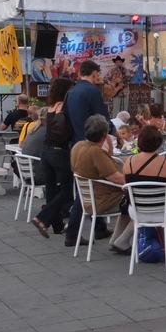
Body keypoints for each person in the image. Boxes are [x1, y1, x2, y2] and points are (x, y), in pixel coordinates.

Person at [63, 60, 115, 248]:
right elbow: (103, 119)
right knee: (87, 191)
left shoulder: (71, 91)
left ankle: (99, 227)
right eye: (98, 74)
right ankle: (73, 233)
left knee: (85, 187)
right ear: (94, 73)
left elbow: (66, 117)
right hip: (93, 145)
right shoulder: (92, 91)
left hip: (76, 144)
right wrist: (116, 136)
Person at [120, 125, 166, 255]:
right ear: (159, 143)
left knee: (160, 197)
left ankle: (163, 244)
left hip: (137, 212)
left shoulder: (129, 161)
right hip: (165, 212)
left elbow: (126, 186)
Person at [70, 115, 133, 253]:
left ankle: (117, 240)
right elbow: (116, 178)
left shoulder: (77, 146)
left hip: (88, 198)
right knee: (138, 200)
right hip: (102, 199)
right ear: (105, 135)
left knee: (130, 200)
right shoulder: (96, 152)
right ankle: (122, 241)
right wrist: (136, 180)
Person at [31, 78, 75, 238]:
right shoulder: (64, 107)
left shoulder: (50, 107)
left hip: (45, 151)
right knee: (67, 191)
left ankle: (57, 225)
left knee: (51, 190)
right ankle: (41, 218)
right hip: (59, 151)